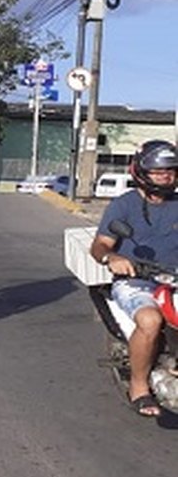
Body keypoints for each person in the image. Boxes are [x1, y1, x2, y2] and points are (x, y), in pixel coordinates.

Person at [90, 140, 178, 418]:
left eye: (172, 170)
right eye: (159, 171)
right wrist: (112, 258)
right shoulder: (124, 205)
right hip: (136, 280)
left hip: (174, 279)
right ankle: (139, 387)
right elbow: (100, 245)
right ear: (141, 171)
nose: (166, 176)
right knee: (150, 320)